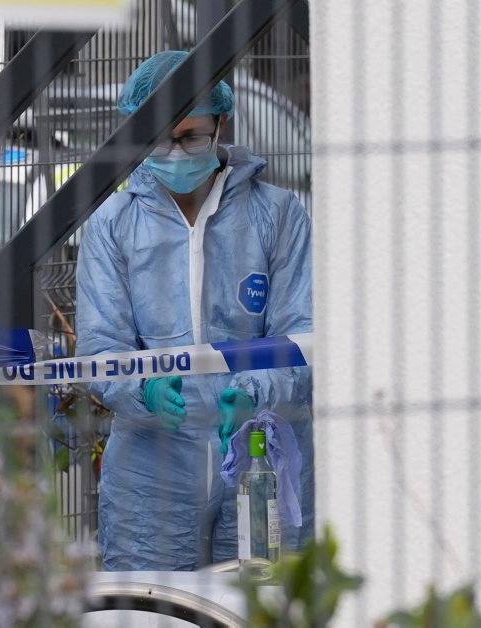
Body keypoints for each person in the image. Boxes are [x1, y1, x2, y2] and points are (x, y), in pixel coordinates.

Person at [75, 50, 314, 571]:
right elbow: (100, 345)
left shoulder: (278, 216)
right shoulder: (112, 225)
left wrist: (253, 393)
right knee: (151, 605)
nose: (176, 152)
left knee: (263, 600)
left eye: (192, 137)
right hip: (150, 472)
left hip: (260, 454)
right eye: (160, 139)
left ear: (223, 123)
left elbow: (302, 335)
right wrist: (143, 388)